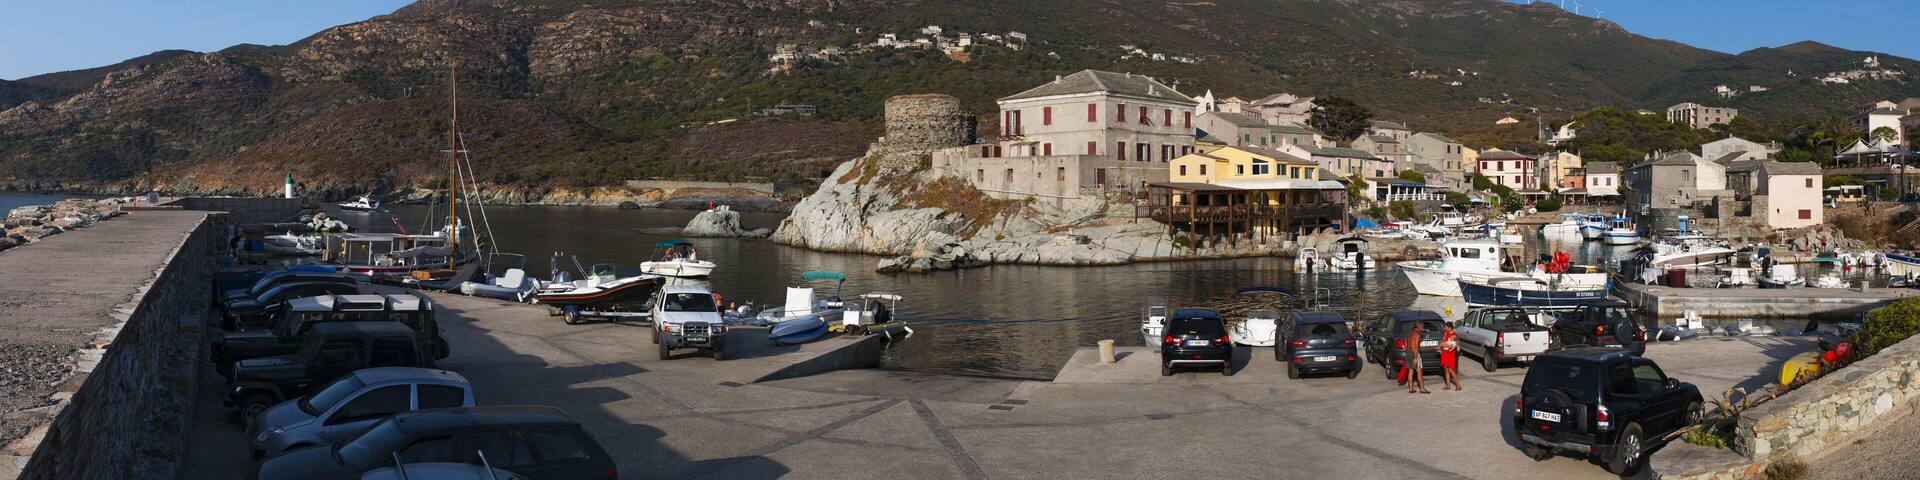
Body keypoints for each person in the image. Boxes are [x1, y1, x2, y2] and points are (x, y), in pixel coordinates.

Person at [1406, 324, 1430, 395]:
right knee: (1419, 371)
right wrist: (1416, 357)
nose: (1423, 328)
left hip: (1408, 353)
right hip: (1414, 353)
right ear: (1418, 326)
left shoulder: (1410, 333)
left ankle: (1411, 388)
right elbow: (1416, 347)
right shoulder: (1417, 334)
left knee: (1410, 371)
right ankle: (1422, 389)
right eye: (1422, 326)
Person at [1440, 324, 1463, 391]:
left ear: (1450, 327)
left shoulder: (1454, 334)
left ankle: (1458, 385)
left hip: (1450, 353)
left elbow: (1457, 343)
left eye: (1446, 327)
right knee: (1446, 370)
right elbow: (1443, 342)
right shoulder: (1446, 333)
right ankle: (1448, 386)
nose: (1445, 328)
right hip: (1445, 353)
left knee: (1451, 370)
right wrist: (1440, 348)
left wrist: (1454, 345)